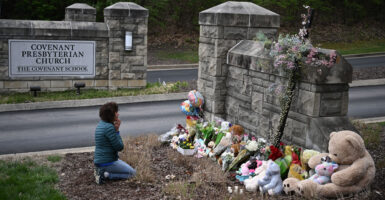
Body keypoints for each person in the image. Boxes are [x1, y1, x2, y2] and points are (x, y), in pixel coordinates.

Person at [94, 102, 136, 184]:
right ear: (111, 115)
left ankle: (101, 172)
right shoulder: (109, 127)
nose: (118, 114)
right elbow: (119, 147)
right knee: (134, 174)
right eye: (116, 112)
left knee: (129, 169)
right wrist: (117, 131)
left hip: (101, 161)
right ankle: (105, 175)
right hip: (107, 162)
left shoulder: (101, 124)